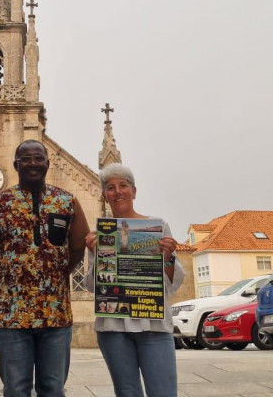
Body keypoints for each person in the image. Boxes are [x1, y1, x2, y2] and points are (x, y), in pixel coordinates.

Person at [0, 140, 90, 397]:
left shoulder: (67, 202)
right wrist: (5, 278)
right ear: (16, 165)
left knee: (53, 388)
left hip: (56, 317)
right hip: (12, 317)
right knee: (15, 389)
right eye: (26, 159)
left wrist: (57, 276)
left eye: (39, 158)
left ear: (48, 163)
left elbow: (79, 248)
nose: (33, 163)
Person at [85, 163, 184, 397]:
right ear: (104, 195)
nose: (118, 192)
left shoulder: (158, 227)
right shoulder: (101, 235)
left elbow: (172, 285)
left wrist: (168, 258)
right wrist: (98, 255)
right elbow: (92, 286)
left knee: (163, 392)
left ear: (134, 191)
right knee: (127, 392)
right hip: (113, 328)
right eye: (110, 187)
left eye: (123, 185)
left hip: (154, 326)